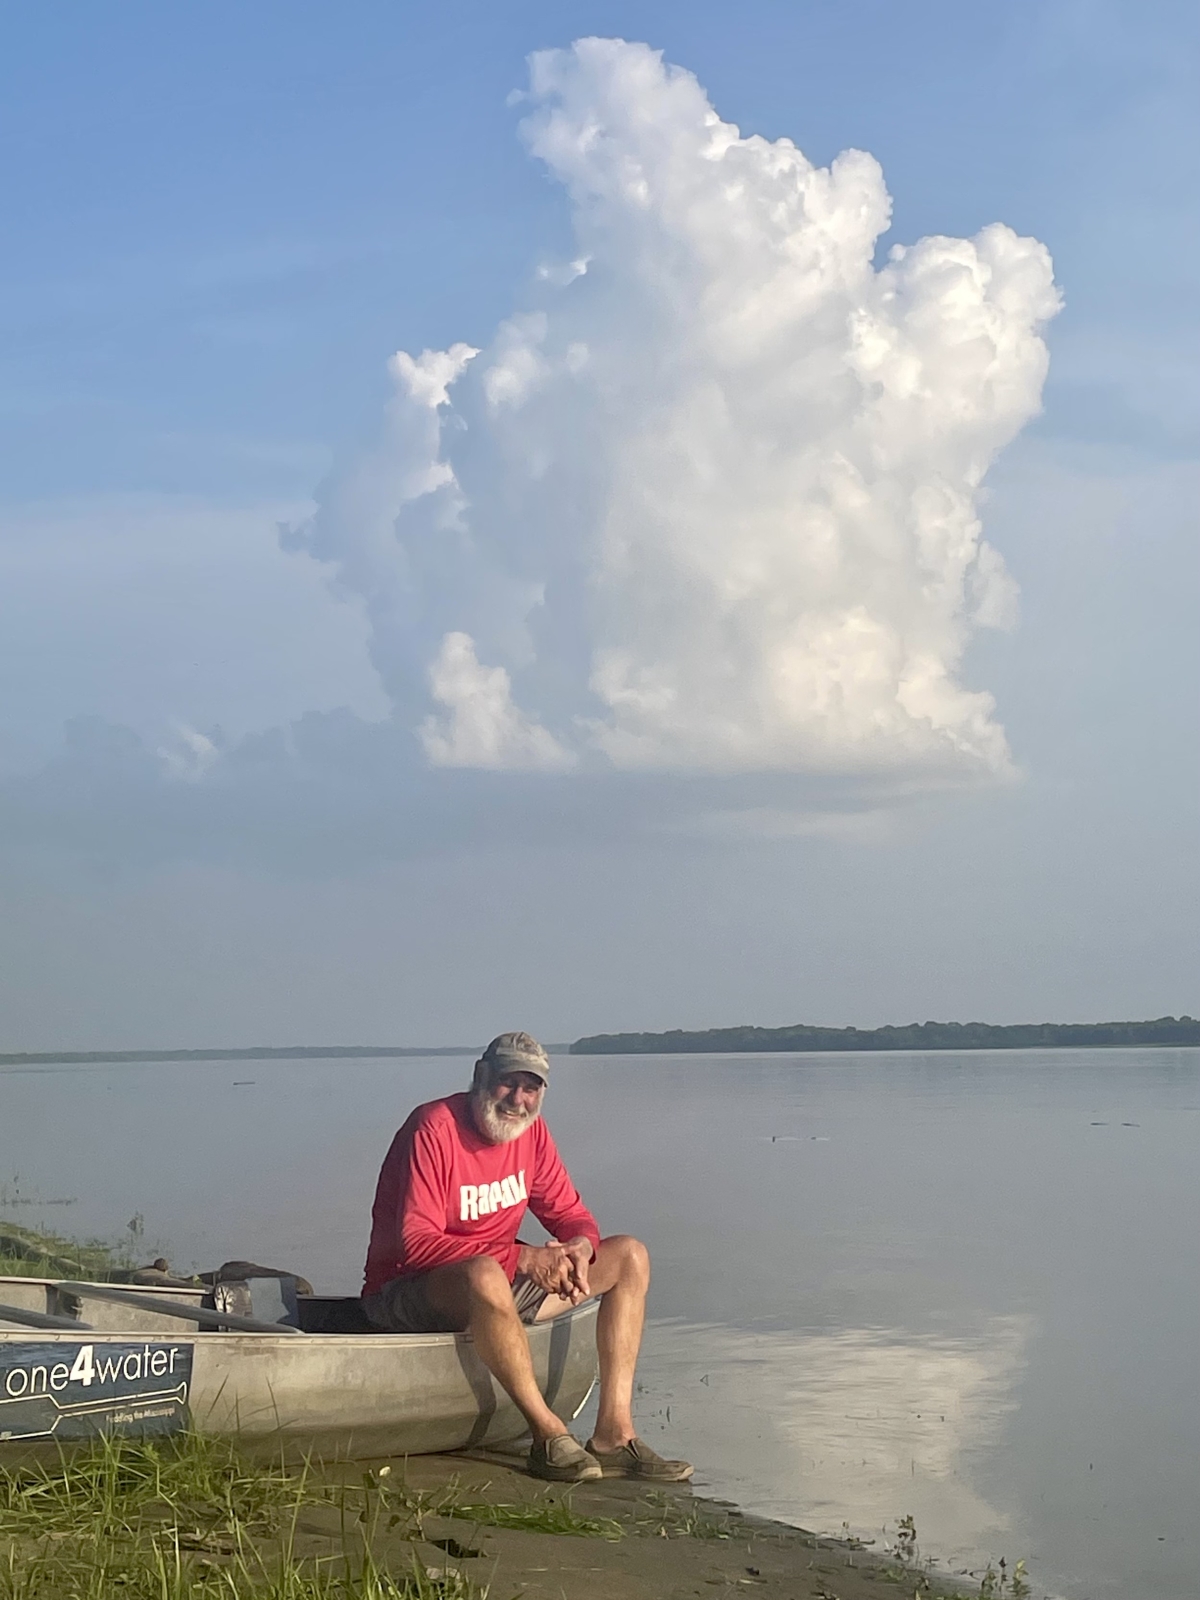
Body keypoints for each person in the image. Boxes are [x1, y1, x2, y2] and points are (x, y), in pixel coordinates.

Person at [362, 1031, 692, 1485]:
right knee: (485, 1270)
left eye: (530, 1087)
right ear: (481, 1076)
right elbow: (414, 1243)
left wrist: (579, 1247)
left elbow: (571, 1214)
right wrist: (521, 1260)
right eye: (507, 1082)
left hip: (494, 1285)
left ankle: (614, 1434)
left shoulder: (531, 1133)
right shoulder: (433, 1127)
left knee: (630, 1255)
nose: (518, 1099)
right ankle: (547, 1433)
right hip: (406, 1294)